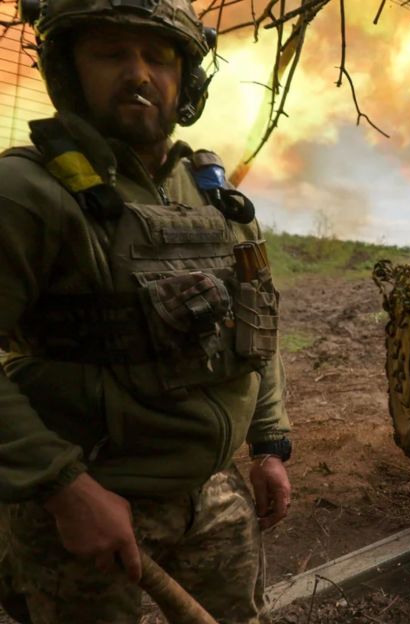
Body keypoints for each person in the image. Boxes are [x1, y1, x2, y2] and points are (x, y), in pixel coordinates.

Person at [0, 0, 292, 621]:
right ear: (68, 69)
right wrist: (64, 488)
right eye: (111, 53)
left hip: (212, 497)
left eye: (159, 57)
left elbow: (256, 325)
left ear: (184, 78)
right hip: (88, 501)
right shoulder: (26, 191)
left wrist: (268, 446)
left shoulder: (214, 196)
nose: (138, 73)